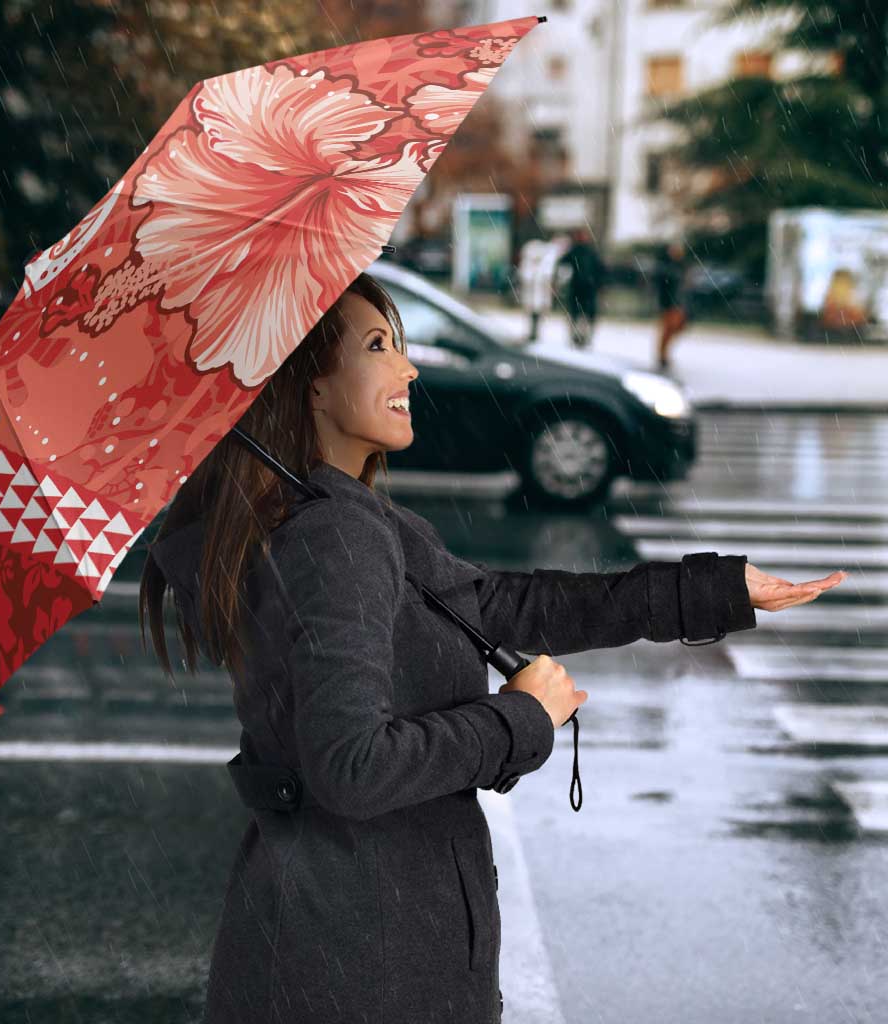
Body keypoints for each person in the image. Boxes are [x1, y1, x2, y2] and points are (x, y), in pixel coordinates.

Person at [140, 271, 842, 1024]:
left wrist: (714, 591)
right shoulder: (333, 536)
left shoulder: (340, 517)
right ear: (309, 385)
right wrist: (519, 719)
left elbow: (504, 605)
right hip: (362, 962)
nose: (408, 368)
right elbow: (351, 767)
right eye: (378, 346)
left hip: (342, 942)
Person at [556, 226, 606, 349]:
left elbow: (600, 270)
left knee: (584, 315)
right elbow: (562, 264)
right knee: (577, 314)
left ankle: (583, 337)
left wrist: (599, 284)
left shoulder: (589, 252)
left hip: (587, 288)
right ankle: (577, 337)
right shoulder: (576, 251)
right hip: (579, 288)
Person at [654, 239, 690, 370]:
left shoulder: (681, 266)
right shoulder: (666, 267)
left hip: (678, 303)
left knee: (676, 328)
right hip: (669, 303)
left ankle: (663, 354)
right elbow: (663, 286)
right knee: (668, 329)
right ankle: (662, 355)